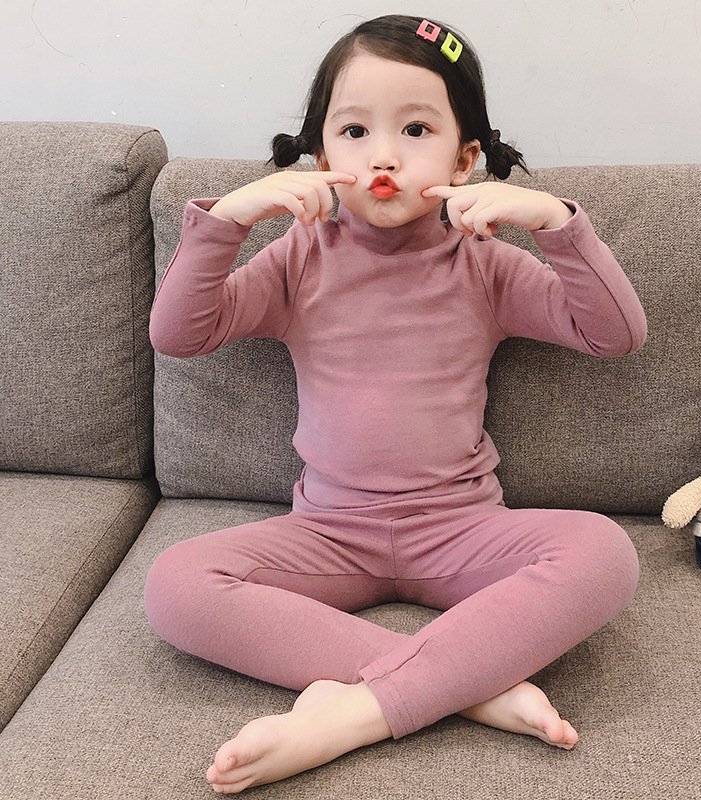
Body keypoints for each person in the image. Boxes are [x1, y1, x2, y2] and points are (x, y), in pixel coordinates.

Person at [144, 14, 647, 795]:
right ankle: (469, 688)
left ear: (464, 159)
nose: (383, 156)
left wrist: (555, 224)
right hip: (328, 534)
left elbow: (613, 334)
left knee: (606, 553)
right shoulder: (299, 257)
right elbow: (180, 333)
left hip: (462, 532)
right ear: (322, 157)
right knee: (174, 585)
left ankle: (353, 715)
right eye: (354, 131)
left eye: (416, 130)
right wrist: (229, 220)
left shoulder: (484, 262)